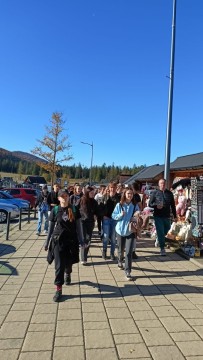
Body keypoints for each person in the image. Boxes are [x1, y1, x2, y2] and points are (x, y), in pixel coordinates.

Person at [44, 189, 81, 302]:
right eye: (62, 196)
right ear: (59, 198)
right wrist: (47, 241)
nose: (64, 198)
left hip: (71, 241)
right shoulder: (55, 210)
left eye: (66, 196)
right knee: (59, 265)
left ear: (68, 197)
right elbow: (50, 228)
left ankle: (68, 273)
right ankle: (58, 289)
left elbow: (79, 227)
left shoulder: (74, 209)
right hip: (58, 241)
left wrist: (82, 239)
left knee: (68, 263)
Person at [112, 187, 139, 280]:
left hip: (130, 231)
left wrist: (135, 217)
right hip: (120, 230)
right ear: (124, 194)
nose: (130, 195)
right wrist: (120, 215)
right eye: (128, 193)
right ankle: (119, 260)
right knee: (120, 249)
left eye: (131, 194)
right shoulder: (119, 205)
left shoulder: (135, 205)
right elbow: (113, 216)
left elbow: (138, 215)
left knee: (128, 253)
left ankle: (128, 271)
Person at [149, 178, 177, 256]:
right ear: (159, 184)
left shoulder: (169, 193)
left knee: (166, 231)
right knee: (161, 231)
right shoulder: (155, 193)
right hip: (158, 216)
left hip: (167, 216)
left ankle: (159, 238)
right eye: (161, 183)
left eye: (164, 183)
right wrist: (156, 205)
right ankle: (162, 248)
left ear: (166, 184)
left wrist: (175, 216)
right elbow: (150, 204)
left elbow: (173, 206)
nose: (162, 185)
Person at [101, 182, 120, 260]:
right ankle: (104, 251)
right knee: (105, 236)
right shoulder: (105, 197)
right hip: (106, 219)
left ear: (116, 188)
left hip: (115, 219)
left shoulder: (118, 197)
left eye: (114, 187)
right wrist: (103, 215)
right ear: (109, 188)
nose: (112, 189)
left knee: (113, 237)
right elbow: (101, 207)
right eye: (111, 187)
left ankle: (112, 253)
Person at [79, 186, 98, 265]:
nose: (93, 194)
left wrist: (96, 215)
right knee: (84, 239)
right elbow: (78, 210)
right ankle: (83, 258)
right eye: (91, 193)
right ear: (87, 193)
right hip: (82, 222)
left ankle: (84, 254)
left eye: (93, 193)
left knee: (88, 239)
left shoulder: (94, 201)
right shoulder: (82, 200)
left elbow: (97, 210)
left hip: (90, 222)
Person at [131, 182, 142, 259]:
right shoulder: (136, 196)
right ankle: (131, 251)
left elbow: (140, 206)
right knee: (131, 235)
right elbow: (140, 205)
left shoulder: (136, 196)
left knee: (133, 235)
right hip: (130, 218)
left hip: (134, 217)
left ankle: (132, 251)